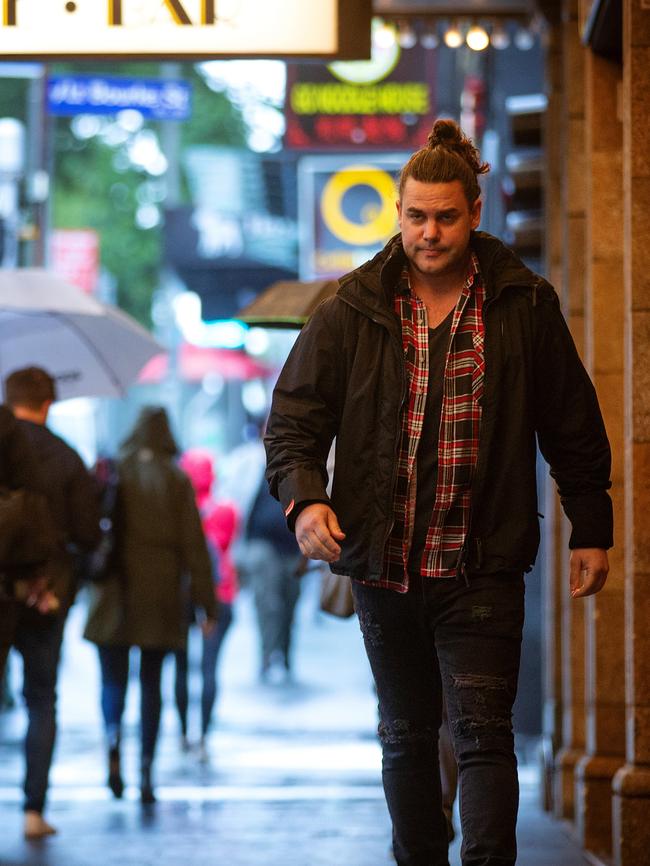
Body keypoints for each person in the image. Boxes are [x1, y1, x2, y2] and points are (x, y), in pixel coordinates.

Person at [264, 120, 612, 866]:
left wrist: (592, 526)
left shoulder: (522, 303)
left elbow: (573, 422)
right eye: (416, 216)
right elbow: (293, 419)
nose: (430, 232)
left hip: (481, 563)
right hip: (385, 566)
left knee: (485, 733)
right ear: (398, 212)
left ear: (475, 212)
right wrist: (305, 499)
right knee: (407, 736)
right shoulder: (352, 306)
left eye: (446, 216)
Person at [83, 406, 217, 804]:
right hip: (160, 595)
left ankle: (112, 741)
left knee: (112, 679)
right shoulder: (177, 479)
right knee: (151, 684)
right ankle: (145, 769)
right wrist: (206, 605)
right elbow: (195, 547)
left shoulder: (114, 469)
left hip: (112, 594)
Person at [3, 368, 101, 840]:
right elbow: (87, 534)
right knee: (41, 699)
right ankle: (33, 812)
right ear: (48, 403)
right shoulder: (65, 457)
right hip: (48, 593)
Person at [174, 447, 239, 761]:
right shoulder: (225, 511)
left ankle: (183, 733)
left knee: (181, 666)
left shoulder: (176, 513)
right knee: (210, 668)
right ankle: (204, 735)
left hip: (182, 594)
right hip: (221, 595)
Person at [245, 470, 302, 682]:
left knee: (290, 605)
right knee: (267, 605)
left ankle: (284, 655)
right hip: (264, 546)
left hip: (294, 547)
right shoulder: (255, 468)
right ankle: (267, 655)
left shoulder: (299, 463)